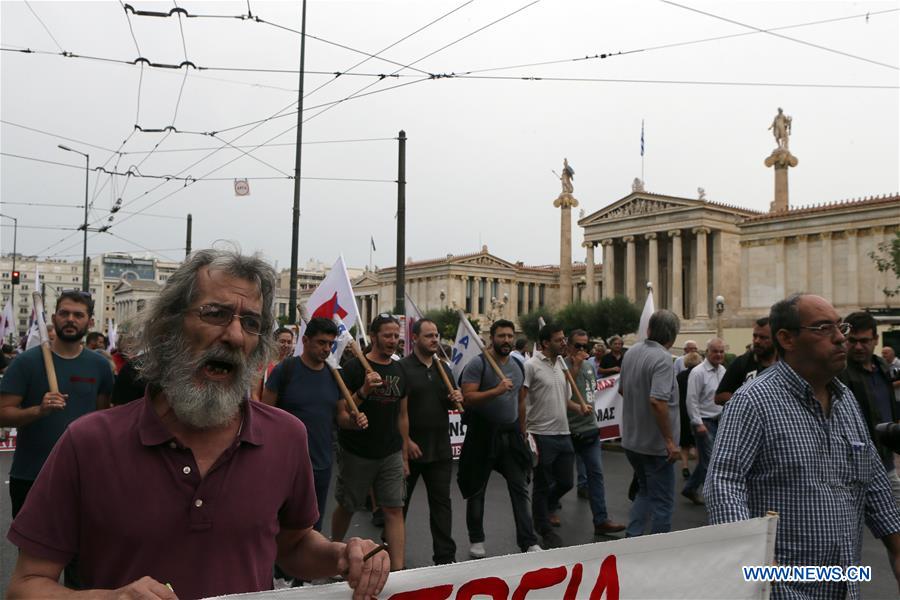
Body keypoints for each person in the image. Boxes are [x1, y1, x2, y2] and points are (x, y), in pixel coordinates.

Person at [5, 249, 390, 599]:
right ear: (169, 326)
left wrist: (344, 555)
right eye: (216, 314)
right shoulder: (88, 442)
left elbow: (292, 547)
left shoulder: (286, 437)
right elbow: (26, 585)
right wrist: (110, 598)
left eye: (251, 323)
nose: (236, 335)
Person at [706, 294, 900, 600]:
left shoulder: (845, 400)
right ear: (786, 339)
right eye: (824, 328)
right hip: (782, 590)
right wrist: (757, 560)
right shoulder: (753, 402)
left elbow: (873, 482)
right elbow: (724, 484)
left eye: (841, 327)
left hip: (844, 587)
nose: (840, 339)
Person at [0, 289, 113, 518]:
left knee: (80, 551)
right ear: (53, 318)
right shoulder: (26, 363)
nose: (70, 319)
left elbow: (105, 419)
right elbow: (2, 414)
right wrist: (38, 411)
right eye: (64, 313)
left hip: (82, 477)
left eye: (78, 315)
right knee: (32, 552)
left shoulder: (100, 366)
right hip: (31, 475)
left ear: (89, 321)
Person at [263, 318, 367, 533]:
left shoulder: (334, 376)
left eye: (330, 344)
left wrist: (355, 422)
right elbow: (265, 415)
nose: (326, 349)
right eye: (321, 343)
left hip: (321, 465)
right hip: (287, 464)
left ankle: (308, 566)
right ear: (306, 340)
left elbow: (341, 418)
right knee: (281, 526)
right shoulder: (285, 370)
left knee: (312, 527)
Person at [332, 313, 409, 572]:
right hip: (358, 452)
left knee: (394, 509)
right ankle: (334, 557)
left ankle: (398, 571)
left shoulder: (400, 369)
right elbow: (342, 415)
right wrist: (364, 390)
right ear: (374, 336)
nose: (392, 340)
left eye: (396, 335)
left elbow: (403, 414)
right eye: (387, 335)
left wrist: (405, 451)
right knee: (348, 505)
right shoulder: (354, 368)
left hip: (390, 452)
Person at [458, 319, 540, 557]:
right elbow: (468, 398)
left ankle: (528, 540)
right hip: (482, 435)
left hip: (511, 434)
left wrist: (522, 429)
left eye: (509, 336)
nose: (506, 340)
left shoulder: (517, 364)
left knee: (520, 487)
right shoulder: (478, 364)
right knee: (477, 489)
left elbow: (520, 400)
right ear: (492, 337)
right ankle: (476, 540)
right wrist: (496, 390)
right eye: (501, 336)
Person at [400, 318, 463, 565]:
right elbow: (398, 412)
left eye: (436, 335)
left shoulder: (443, 369)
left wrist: (455, 397)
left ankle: (445, 557)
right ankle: (392, 554)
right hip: (412, 449)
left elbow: (449, 402)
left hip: (440, 449)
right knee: (399, 506)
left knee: (441, 506)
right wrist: (406, 442)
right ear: (415, 338)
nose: (435, 339)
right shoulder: (403, 368)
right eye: (429, 335)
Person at [523, 323, 588, 548]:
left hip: (563, 433)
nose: (564, 343)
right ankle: (543, 527)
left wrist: (579, 408)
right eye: (559, 340)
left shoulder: (562, 364)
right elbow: (521, 400)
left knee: (565, 481)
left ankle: (545, 509)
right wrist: (523, 431)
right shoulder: (530, 366)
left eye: (563, 338)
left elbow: (565, 398)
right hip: (541, 434)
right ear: (545, 344)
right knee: (542, 483)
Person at [619, 310, 680, 537]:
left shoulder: (632, 352)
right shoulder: (663, 359)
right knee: (663, 502)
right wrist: (670, 441)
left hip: (632, 441)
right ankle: (658, 550)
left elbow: (623, 390)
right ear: (673, 336)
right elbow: (658, 401)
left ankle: (633, 538)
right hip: (655, 447)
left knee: (644, 492)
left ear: (649, 330)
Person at [565, 329, 625, 535]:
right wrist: (575, 366)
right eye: (578, 346)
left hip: (590, 429)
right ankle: (549, 508)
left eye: (585, 346)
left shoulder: (591, 365)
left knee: (596, 476)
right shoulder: (562, 365)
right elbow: (564, 389)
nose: (582, 350)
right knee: (561, 479)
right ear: (569, 346)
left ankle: (601, 519)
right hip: (568, 429)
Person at [838, 311, 900, 506]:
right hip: (853, 468)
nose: (858, 346)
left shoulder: (882, 367)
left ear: (875, 339)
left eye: (864, 341)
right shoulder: (839, 373)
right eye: (852, 340)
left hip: (886, 462)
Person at [681, 338, 726, 505]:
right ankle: (715, 497)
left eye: (721, 351)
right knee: (711, 462)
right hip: (704, 422)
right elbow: (691, 399)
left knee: (709, 461)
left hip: (720, 421)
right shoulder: (698, 372)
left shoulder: (723, 371)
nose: (719, 355)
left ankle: (690, 488)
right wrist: (697, 422)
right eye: (715, 351)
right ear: (707, 352)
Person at [715, 317, 776, 405]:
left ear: (776, 339)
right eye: (755, 336)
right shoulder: (741, 363)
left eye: (763, 337)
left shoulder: (786, 365)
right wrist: (748, 401)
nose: (757, 341)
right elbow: (719, 397)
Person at [676, 351, 702, 480]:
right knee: (698, 443)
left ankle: (685, 466)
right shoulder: (699, 375)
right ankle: (699, 468)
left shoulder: (680, 376)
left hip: (682, 411)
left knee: (685, 442)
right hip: (696, 410)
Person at [253, 326, 295, 401]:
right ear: (273, 342)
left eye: (289, 342)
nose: (286, 345)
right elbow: (254, 394)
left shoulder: (294, 365)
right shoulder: (263, 364)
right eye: (282, 341)